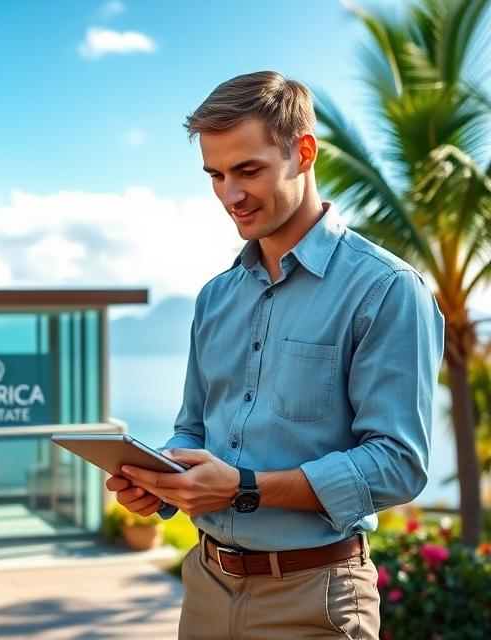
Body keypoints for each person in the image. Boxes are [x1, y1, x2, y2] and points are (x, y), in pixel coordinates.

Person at [106, 71, 445, 639]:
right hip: (206, 589)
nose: (229, 195)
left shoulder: (385, 289)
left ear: (303, 152)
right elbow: (193, 426)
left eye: (248, 170)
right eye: (215, 175)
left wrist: (243, 485)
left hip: (316, 600)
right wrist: (164, 477)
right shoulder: (215, 297)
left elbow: (399, 463)